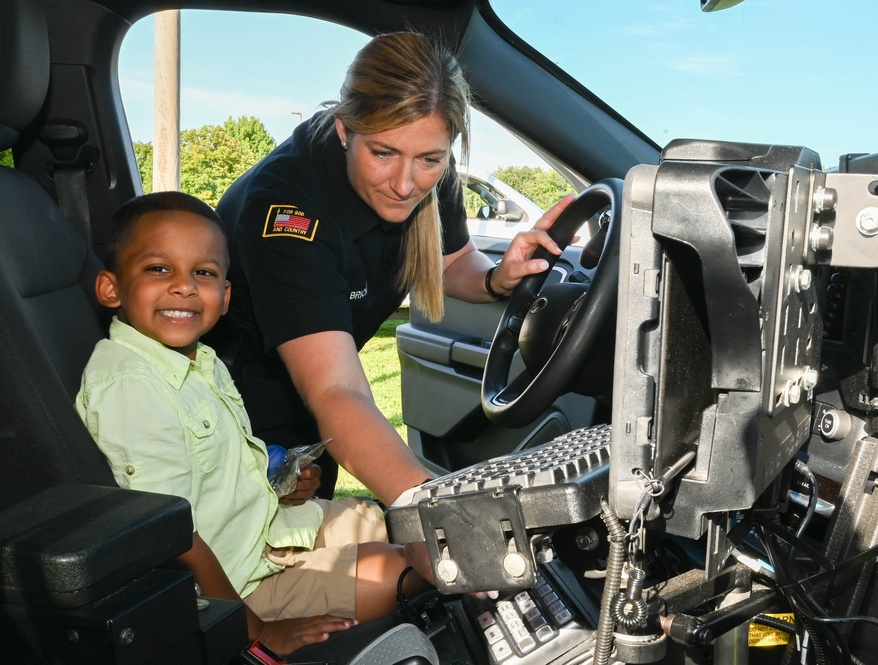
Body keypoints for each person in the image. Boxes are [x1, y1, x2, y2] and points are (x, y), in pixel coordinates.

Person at [213, 31, 572, 509]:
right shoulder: (288, 210)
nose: (406, 185)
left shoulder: (429, 172)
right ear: (344, 129)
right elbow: (336, 389)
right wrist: (438, 513)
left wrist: (495, 279)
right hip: (241, 408)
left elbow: (451, 261)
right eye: (382, 154)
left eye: (430, 159)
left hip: (322, 398)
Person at [75, 191, 427, 657]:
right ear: (111, 288)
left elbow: (216, 468)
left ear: (224, 297)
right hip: (233, 582)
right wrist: (255, 628)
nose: (184, 286)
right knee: (407, 574)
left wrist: (282, 484)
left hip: (265, 529)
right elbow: (171, 531)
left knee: (397, 524)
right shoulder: (128, 384)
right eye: (159, 269)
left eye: (203, 272)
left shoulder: (201, 360)